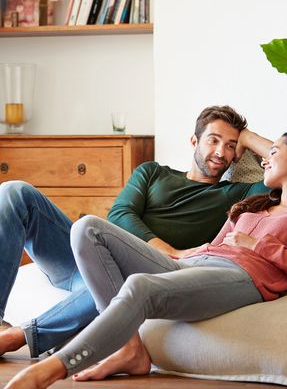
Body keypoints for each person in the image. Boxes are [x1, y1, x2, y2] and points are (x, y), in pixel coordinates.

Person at [4, 131, 287, 388]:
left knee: (140, 286)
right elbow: (211, 246)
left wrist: (263, 247)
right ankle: (130, 348)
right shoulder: (253, 205)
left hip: (242, 276)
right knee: (87, 228)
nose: (264, 160)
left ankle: (51, 370)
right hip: (194, 265)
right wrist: (180, 253)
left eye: (273, 152)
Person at [0, 105, 271, 359]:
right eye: (213, 140)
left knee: (129, 279)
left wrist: (248, 137)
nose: (221, 152)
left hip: (130, 271)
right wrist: (171, 251)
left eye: (231, 146)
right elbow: (119, 215)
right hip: (83, 255)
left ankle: (18, 337)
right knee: (15, 192)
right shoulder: (152, 172)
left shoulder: (236, 194)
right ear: (194, 141)